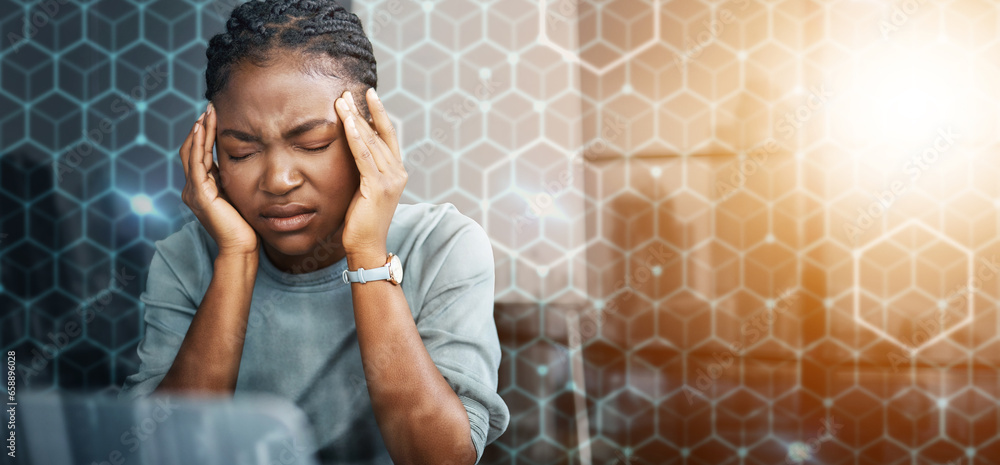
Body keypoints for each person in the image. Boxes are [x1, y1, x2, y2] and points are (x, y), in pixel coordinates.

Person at [117, 1, 509, 463]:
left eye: (312, 144)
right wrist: (236, 259)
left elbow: (441, 458)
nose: (278, 180)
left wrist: (366, 253)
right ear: (211, 153)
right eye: (241, 152)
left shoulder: (443, 245)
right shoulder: (186, 258)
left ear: (370, 140)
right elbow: (162, 452)